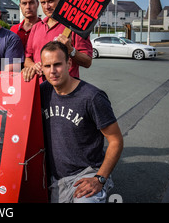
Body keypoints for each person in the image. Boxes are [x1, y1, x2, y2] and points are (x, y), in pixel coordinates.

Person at [39, 41, 123, 203]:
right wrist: (25, 75)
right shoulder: (42, 92)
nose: (52, 71)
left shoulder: (92, 97)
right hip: (54, 178)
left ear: (69, 63)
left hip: (86, 175)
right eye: (47, 66)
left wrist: (100, 178)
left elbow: (116, 140)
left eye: (57, 64)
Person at [23, 0, 92, 82]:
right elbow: (27, 59)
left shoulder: (75, 27)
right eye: (43, 2)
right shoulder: (36, 27)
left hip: (65, 92)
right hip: (40, 88)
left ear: (61, 0)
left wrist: (71, 50)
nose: (46, 6)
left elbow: (87, 62)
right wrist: (34, 66)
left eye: (50, 1)